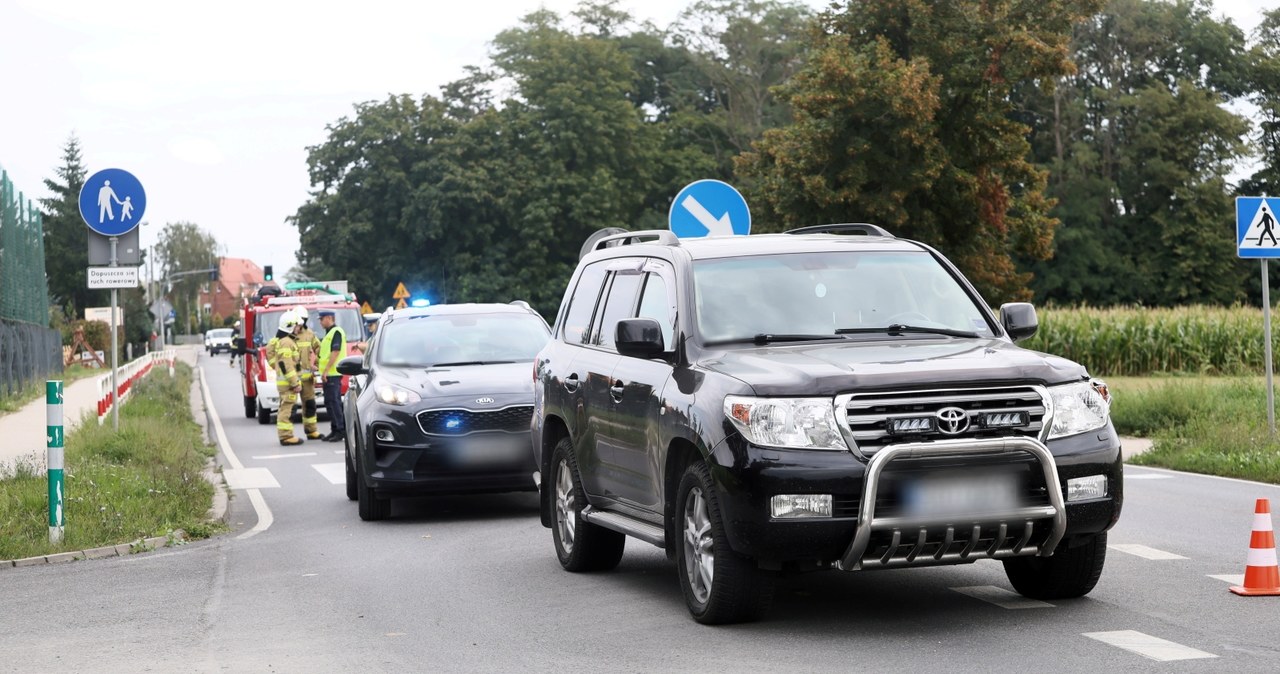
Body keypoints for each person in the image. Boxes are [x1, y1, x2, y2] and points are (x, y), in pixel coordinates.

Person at [267, 313, 303, 446]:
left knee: (285, 408)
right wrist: (295, 382)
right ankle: (286, 436)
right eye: (297, 326)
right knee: (286, 409)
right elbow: (287, 365)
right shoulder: (287, 342)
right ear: (290, 327)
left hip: (284, 383)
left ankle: (286, 435)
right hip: (288, 384)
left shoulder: (282, 341)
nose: (299, 329)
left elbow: (277, 362)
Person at [292, 307, 324, 440]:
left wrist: (315, 363)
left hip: (307, 379)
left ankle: (311, 431)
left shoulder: (309, 334)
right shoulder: (287, 335)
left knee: (310, 404)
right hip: (291, 379)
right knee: (289, 408)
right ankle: (287, 435)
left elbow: (318, 348)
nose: (301, 323)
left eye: (303, 320)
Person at [316, 309, 347, 442]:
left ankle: (340, 430)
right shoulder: (329, 333)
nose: (321, 322)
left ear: (329, 318)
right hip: (329, 374)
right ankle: (334, 429)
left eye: (321, 319)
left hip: (333, 374)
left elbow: (335, 352)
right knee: (329, 402)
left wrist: (326, 370)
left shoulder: (336, 332)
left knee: (334, 402)